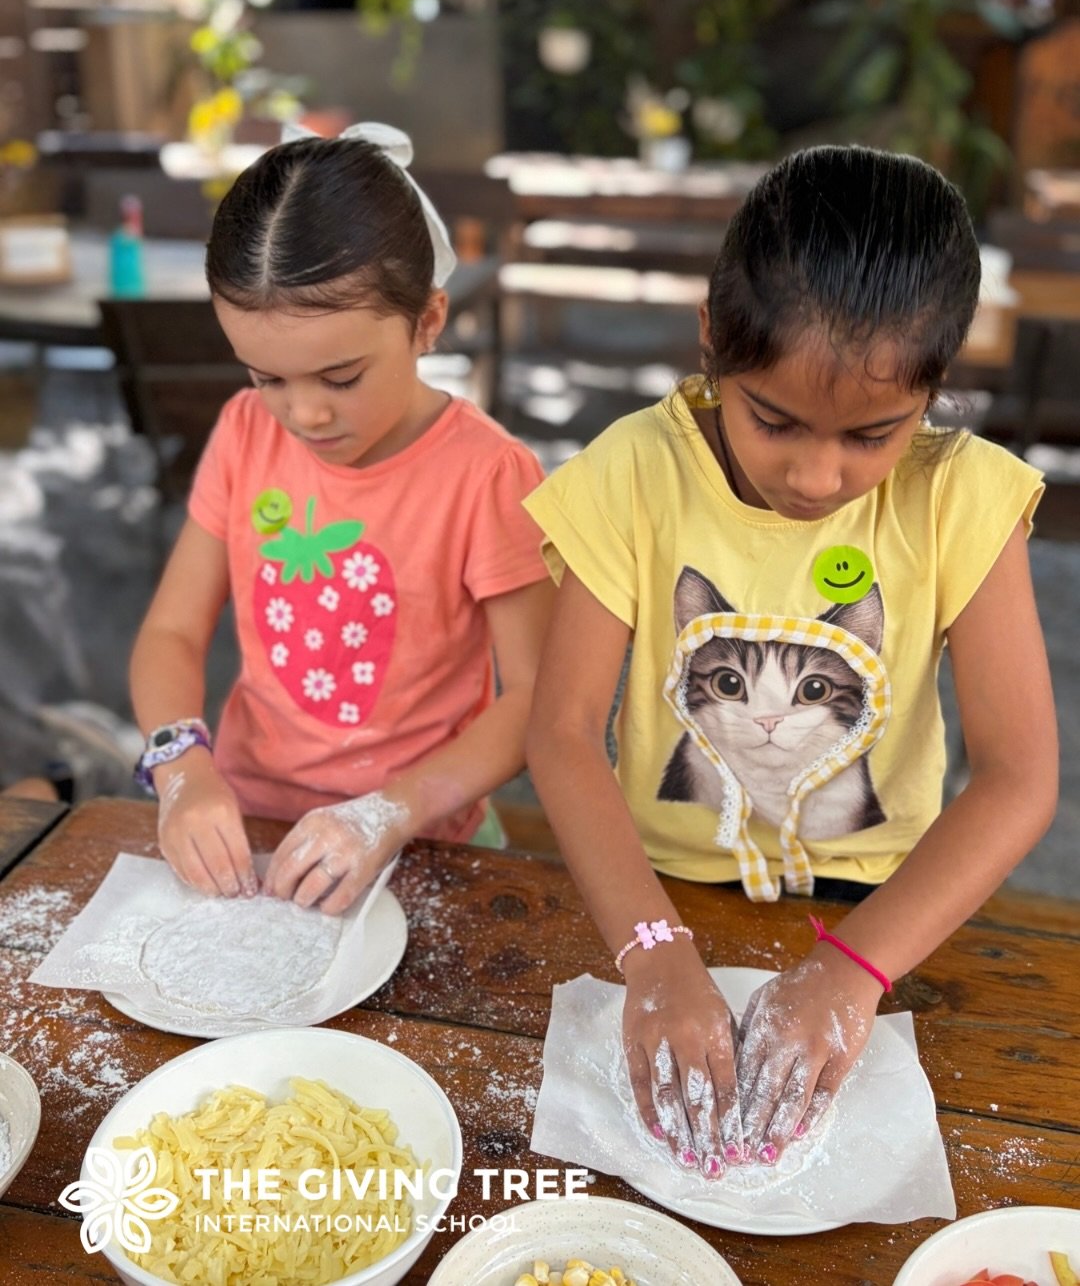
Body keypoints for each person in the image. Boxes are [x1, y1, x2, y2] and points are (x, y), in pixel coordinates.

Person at [523, 146, 1057, 1183]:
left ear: (937, 389)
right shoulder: (632, 475)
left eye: (874, 435)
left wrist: (852, 973)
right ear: (713, 341)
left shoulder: (962, 501)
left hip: (879, 915)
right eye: (771, 420)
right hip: (651, 889)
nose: (818, 475)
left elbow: (1021, 777)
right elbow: (559, 730)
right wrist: (651, 950)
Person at [130, 123, 552, 914]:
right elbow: (171, 634)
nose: (305, 413)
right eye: (268, 377)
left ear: (427, 322)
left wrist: (387, 812)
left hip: (427, 839)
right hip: (249, 823)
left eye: (342, 376)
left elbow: (535, 698)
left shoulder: (486, 475)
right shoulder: (245, 433)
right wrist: (182, 769)